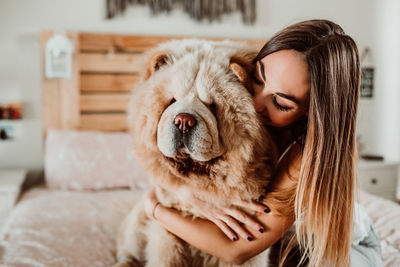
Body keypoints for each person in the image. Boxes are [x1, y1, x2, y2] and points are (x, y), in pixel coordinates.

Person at [143, 19, 383, 267]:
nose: (256, 103)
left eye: (281, 103)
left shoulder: (306, 156)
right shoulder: (237, 104)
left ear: (311, 112)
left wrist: (154, 208)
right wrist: (185, 192)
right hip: (284, 239)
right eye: (258, 78)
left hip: (344, 250)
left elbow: (235, 250)